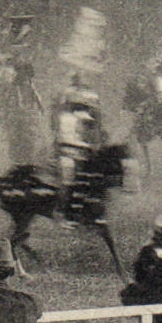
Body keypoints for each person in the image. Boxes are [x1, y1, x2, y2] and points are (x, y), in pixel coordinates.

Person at [53, 75, 103, 223]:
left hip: (77, 152)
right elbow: (65, 139)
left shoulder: (81, 118)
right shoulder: (67, 119)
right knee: (68, 183)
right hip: (69, 152)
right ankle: (65, 211)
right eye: (80, 106)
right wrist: (87, 146)